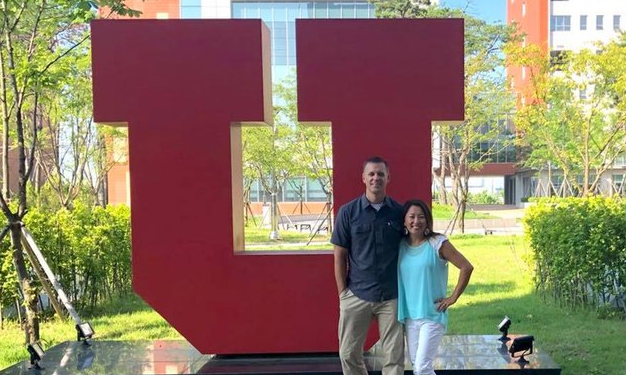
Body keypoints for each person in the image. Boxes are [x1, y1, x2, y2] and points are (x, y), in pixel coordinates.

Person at [331, 156, 405, 375]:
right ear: (363, 178)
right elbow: (339, 256)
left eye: (380, 174)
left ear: (388, 178)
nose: (376, 178)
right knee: (348, 354)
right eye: (371, 174)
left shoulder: (399, 213)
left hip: (391, 296)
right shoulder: (348, 212)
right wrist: (342, 293)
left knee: (394, 358)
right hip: (356, 293)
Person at [397, 199, 474, 375]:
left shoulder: (437, 242)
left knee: (422, 367)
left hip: (432, 315)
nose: (416, 221)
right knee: (418, 367)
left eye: (421, 217)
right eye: (412, 217)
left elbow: (466, 267)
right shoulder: (400, 245)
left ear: (427, 220)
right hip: (410, 316)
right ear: (404, 220)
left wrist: (453, 297)